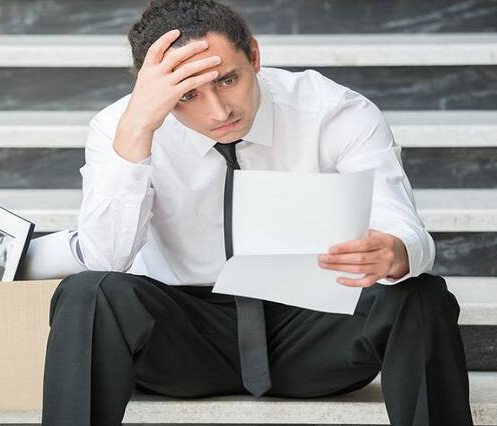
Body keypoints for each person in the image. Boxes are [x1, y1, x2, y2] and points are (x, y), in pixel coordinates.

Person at [41, 1, 473, 425]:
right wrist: (138, 129)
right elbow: (105, 257)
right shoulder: (118, 127)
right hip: (183, 336)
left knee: (419, 294)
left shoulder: (333, 111)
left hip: (312, 327)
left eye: (228, 80)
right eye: (187, 94)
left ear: (254, 55)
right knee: (88, 293)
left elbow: (401, 223)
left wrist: (395, 250)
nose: (219, 111)